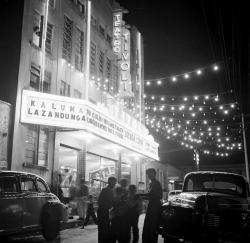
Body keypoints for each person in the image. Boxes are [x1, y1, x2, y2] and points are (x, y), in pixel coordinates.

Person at [142, 168, 163, 243]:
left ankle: (152, 240)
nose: (149, 175)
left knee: (152, 225)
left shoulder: (156, 183)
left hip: (155, 206)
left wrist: (141, 195)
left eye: (150, 174)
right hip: (152, 205)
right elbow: (150, 195)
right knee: (149, 224)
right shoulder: (152, 183)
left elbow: (157, 195)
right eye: (148, 174)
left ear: (154, 174)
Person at [97, 176, 117, 243]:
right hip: (103, 211)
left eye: (114, 182)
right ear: (109, 182)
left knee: (107, 228)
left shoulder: (113, 190)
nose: (114, 184)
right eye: (113, 182)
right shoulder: (105, 190)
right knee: (103, 228)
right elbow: (109, 200)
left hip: (108, 211)